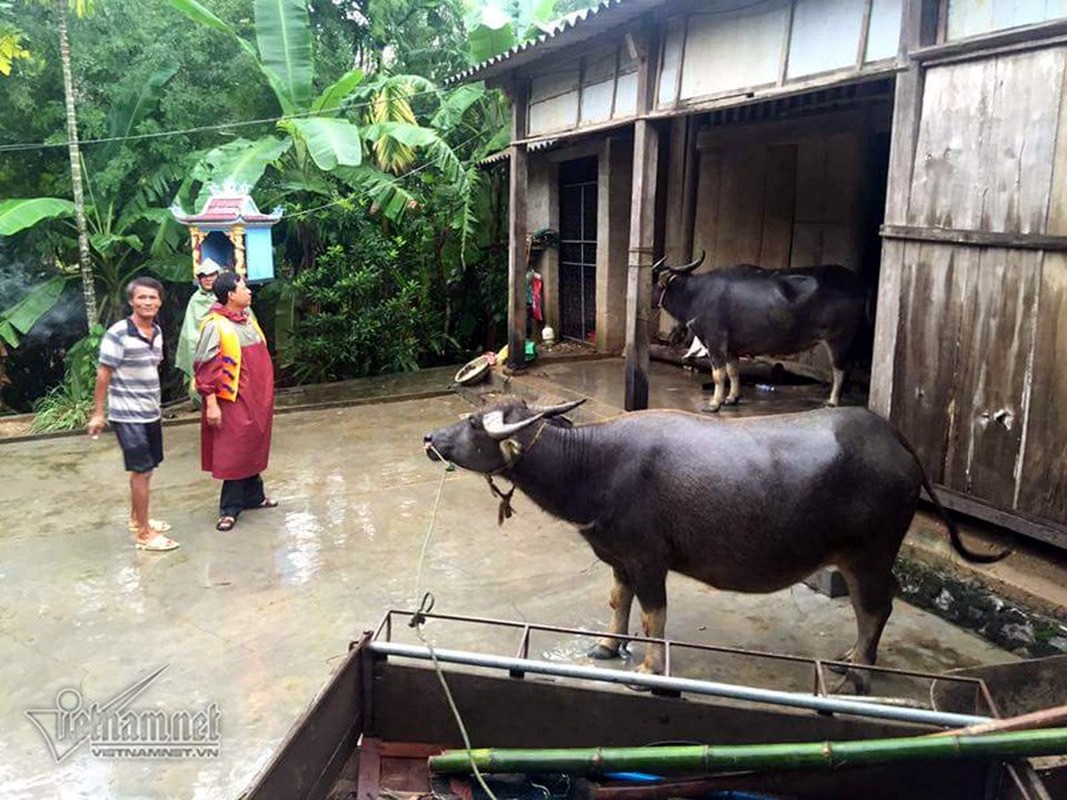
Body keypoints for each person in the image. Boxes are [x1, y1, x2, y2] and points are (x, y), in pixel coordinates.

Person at [88, 276, 180, 552]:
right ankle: (143, 533)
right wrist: (98, 413)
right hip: (127, 414)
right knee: (141, 470)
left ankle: (135, 518)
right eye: (142, 297)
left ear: (160, 302)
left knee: (148, 469)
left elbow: (154, 367)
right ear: (131, 301)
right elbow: (104, 373)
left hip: (150, 410)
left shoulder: (158, 332)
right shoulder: (118, 333)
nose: (148, 302)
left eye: (153, 298)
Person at [193, 271, 277, 531]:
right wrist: (211, 403)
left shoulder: (247, 320)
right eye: (244, 288)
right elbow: (204, 368)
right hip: (232, 399)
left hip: (257, 398)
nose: (249, 291)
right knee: (234, 450)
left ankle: (255, 496)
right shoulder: (215, 325)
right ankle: (229, 509)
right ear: (230, 294)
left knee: (253, 443)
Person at [175, 258, 222, 407]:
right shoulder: (195, 300)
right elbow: (190, 330)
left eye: (211, 275)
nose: (207, 279)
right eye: (203, 276)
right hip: (201, 346)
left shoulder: (227, 295)